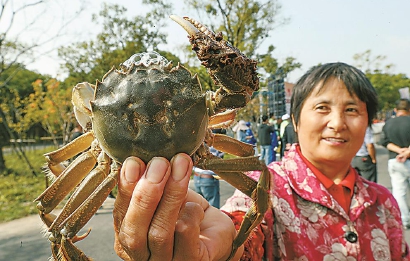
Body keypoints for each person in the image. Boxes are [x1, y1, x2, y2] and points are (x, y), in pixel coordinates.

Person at [112, 63, 409, 260]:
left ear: (369, 120)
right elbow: (243, 229)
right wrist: (229, 246)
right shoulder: (266, 186)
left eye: (352, 110)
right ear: (294, 118)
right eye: (322, 107)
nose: (337, 122)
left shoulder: (384, 203)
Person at [379, 98, 410, 229]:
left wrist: (399, 151)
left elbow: (384, 142)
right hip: (407, 158)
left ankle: (405, 220)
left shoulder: (388, 124)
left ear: (396, 110)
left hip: (395, 160)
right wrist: (407, 152)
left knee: (399, 192)